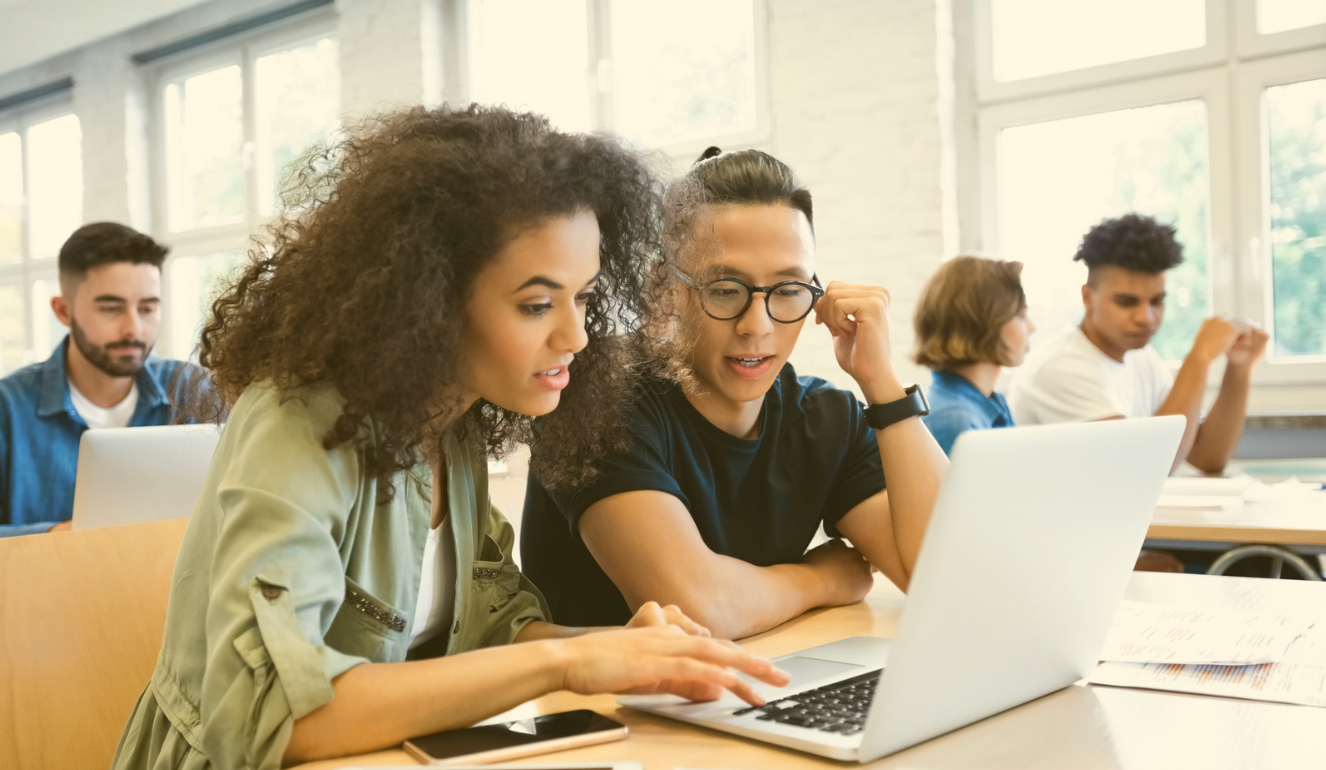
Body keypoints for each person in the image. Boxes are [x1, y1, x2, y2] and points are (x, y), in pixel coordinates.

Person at [110, 106, 787, 770]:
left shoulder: (452, 418)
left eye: (582, 297)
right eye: (535, 305)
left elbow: (495, 624)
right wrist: (569, 662)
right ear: (427, 301)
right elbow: (273, 716)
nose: (576, 336)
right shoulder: (296, 422)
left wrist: (622, 652)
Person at [520, 147, 949, 640]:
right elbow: (698, 609)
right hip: (608, 712)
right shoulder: (595, 399)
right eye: (725, 289)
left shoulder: (826, 418)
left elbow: (946, 577)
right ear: (664, 290)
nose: (757, 326)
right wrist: (821, 578)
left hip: (760, 689)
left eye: (787, 290)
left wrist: (881, 384)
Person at [1008, 214, 1268, 474]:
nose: (1146, 318)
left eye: (1157, 301)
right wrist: (1199, 356)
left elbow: (1205, 456)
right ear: (1088, 297)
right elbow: (1147, 468)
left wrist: (1238, 369)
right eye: (1126, 302)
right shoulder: (1061, 367)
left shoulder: (1142, 357)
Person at [0, 222, 202, 536]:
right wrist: (52, 537)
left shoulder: (192, 390)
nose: (133, 329)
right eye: (111, 308)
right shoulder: (7, 408)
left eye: (148, 308)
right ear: (63, 311)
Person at [912, 255, 1034, 455]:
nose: (1031, 327)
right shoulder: (955, 420)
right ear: (985, 323)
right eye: (1020, 315)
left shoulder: (988, 403)